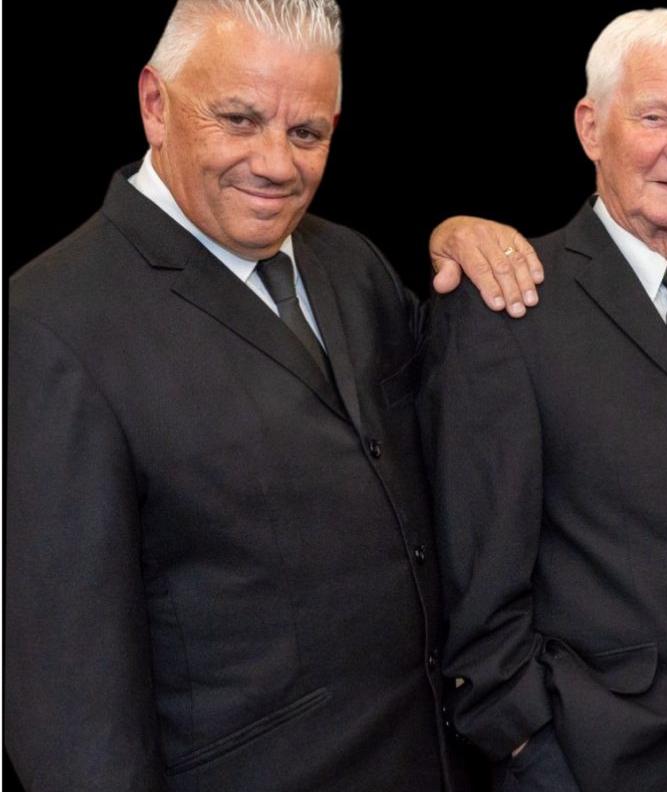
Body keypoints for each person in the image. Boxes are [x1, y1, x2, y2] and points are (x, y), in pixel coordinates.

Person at [5, 2, 472, 789]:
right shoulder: (48, 325)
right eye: (239, 120)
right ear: (155, 104)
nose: (277, 165)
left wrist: (464, 240)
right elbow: (69, 703)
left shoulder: (349, 262)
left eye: (307, 134)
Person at [416, 10, 667, 792]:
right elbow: (476, 575)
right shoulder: (508, 304)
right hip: (588, 758)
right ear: (591, 128)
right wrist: (529, 750)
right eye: (656, 116)